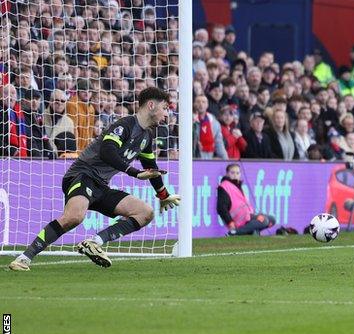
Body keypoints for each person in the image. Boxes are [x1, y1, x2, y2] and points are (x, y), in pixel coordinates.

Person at [9, 88, 179, 271]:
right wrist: (134, 172)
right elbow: (107, 151)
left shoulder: (146, 137)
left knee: (145, 212)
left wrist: (163, 195)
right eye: (164, 108)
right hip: (83, 175)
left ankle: (93, 242)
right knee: (74, 217)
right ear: (151, 105)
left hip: (101, 185)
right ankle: (24, 258)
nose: (166, 114)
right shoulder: (125, 125)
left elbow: (150, 164)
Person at [217, 163, 276, 235]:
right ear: (227, 174)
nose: (235, 175)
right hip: (237, 219)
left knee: (272, 220)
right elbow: (221, 208)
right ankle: (235, 232)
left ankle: (250, 231)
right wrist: (230, 222)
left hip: (247, 216)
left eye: (237, 173)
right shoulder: (224, 186)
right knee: (264, 221)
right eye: (232, 173)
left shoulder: (237, 185)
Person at [194, 94, 227, 159]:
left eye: (203, 102)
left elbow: (219, 143)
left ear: (207, 105)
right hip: (193, 159)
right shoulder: (189, 121)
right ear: (194, 104)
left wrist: (226, 161)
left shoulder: (215, 123)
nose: (201, 104)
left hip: (209, 159)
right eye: (198, 102)